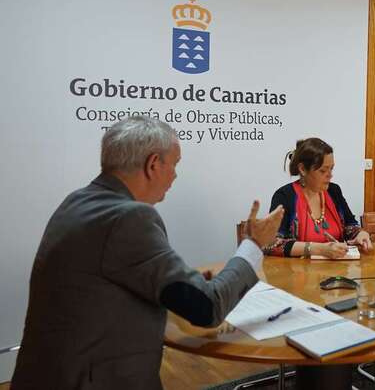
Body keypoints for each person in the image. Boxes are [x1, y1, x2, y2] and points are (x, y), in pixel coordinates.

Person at [11, 116, 283, 390]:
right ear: (153, 164)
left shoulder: (78, 201)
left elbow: (113, 282)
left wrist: (184, 285)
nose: (175, 175)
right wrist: (253, 244)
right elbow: (207, 308)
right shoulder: (129, 218)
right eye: (174, 164)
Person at [266, 137, 373, 258]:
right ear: (302, 169)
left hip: (336, 268)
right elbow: (272, 244)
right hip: (298, 269)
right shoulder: (285, 196)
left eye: (331, 168)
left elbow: (350, 225)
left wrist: (360, 234)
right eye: (323, 171)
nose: (330, 175)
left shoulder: (334, 191)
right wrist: (319, 249)